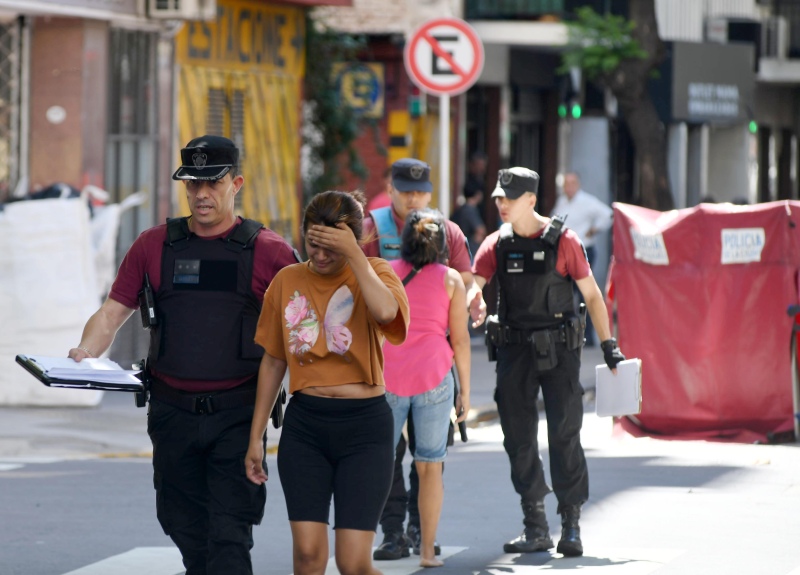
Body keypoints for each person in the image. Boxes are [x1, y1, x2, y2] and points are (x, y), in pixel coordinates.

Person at [67, 135, 300, 574]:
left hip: (238, 414)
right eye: (192, 184)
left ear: (237, 184)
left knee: (230, 536)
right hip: (171, 413)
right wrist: (85, 352)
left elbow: (303, 329)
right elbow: (112, 313)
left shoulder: (269, 252)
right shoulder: (154, 245)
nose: (201, 194)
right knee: (184, 528)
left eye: (212, 183)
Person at [244, 190, 410, 575]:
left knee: (353, 564)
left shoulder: (377, 274)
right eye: (313, 245)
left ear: (354, 240)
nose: (319, 257)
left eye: (330, 248)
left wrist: (355, 256)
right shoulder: (287, 281)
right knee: (307, 557)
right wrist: (256, 437)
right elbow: (273, 361)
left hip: (365, 429)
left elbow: (387, 313)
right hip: (306, 428)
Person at [471, 167, 625, 557]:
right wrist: (473, 299)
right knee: (518, 437)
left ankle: (570, 523)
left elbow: (591, 296)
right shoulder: (496, 244)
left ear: (532, 200)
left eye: (509, 197)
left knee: (564, 434)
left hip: (559, 351)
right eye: (498, 198)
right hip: (514, 351)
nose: (502, 204)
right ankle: (535, 523)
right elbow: (474, 283)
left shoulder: (565, 241)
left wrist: (608, 345)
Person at [362, 157, 486, 560]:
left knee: (427, 455)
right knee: (393, 456)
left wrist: (471, 298)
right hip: (392, 363)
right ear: (391, 189)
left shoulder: (447, 230)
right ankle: (394, 530)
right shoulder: (372, 228)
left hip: (430, 363)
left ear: (430, 192)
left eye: (420, 191)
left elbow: (466, 281)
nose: (413, 198)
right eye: (405, 191)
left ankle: (418, 527)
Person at [382, 208, 471, 568]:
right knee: (429, 466)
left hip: (390, 376)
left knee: (380, 462)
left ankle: (373, 538)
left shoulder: (386, 273)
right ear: (441, 245)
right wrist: (464, 390)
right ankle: (427, 550)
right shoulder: (452, 280)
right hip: (435, 376)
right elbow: (461, 341)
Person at [550, 172, 613, 346]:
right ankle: (568, 335)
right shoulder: (561, 201)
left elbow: (608, 215)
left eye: (572, 183)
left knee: (587, 294)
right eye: (566, 184)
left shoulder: (587, 201)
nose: (569, 187)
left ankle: (591, 336)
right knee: (566, 294)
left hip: (583, 249)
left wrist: (594, 229)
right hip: (564, 252)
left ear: (578, 185)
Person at [450, 184, 487, 260]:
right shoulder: (470, 210)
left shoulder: (460, 209)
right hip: (469, 250)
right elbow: (481, 230)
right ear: (478, 194)